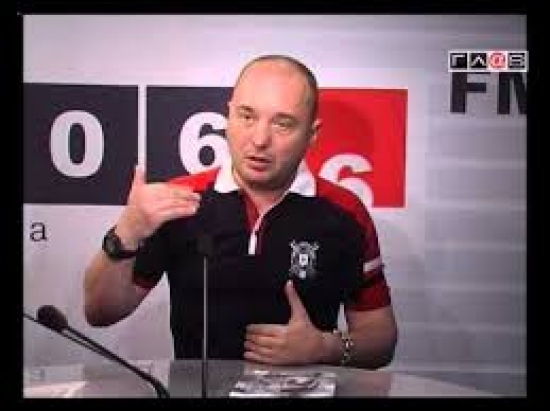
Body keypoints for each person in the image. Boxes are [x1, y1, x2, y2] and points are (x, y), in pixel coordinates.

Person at [83, 54, 398, 369]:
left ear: (312, 135)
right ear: (228, 116)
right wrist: (127, 231)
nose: (259, 140)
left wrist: (325, 348)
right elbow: (100, 312)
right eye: (247, 116)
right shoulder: (180, 200)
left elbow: (381, 338)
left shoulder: (346, 213)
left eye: (282, 123)